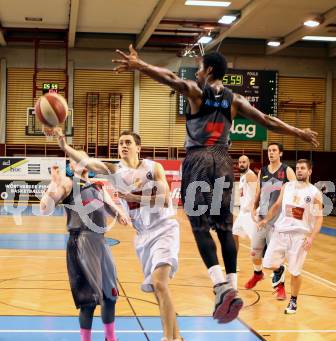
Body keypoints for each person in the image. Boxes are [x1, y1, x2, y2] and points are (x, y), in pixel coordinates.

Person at [111, 45, 319, 323]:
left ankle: (220, 284)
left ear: (208, 71)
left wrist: (141, 66)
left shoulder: (198, 93)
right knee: (224, 226)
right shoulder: (235, 100)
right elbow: (267, 120)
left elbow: (170, 79)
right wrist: (298, 132)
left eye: (199, 68)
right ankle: (232, 287)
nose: (196, 73)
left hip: (198, 159)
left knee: (198, 225)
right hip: (223, 160)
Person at [50, 128, 190, 341]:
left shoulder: (152, 168)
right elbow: (86, 161)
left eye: (127, 142)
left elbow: (166, 199)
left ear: (138, 147)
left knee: (159, 283)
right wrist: (64, 145)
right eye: (120, 143)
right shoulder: (115, 170)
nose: (123, 146)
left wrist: (133, 199)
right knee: (159, 290)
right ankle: (179, 340)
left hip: (164, 228)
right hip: (143, 236)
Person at [40, 152, 133, 341]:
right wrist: (51, 189)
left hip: (101, 243)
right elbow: (46, 208)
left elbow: (111, 206)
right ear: (71, 164)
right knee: (89, 300)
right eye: (76, 159)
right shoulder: (67, 184)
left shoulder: (97, 185)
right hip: (80, 242)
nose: (81, 161)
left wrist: (119, 213)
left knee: (110, 295)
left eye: (84, 158)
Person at [258, 159, 323, 314]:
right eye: (297, 168)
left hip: (299, 236)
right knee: (267, 264)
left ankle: (293, 301)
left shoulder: (314, 192)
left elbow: (319, 217)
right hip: (280, 232)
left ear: (309, 171)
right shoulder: (287, 186)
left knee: (295, 272)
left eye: (302, 168)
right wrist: (266, 219)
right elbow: (276, 205)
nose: (299, 170)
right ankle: (280, 269)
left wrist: (311, 237)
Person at [245, 143, 296, 300]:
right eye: (269, 150)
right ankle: (258, 273)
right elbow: (258, 192)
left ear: (280, 153)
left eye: (274, 150)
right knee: (254, 251)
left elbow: (296, 191)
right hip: (262, 218)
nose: (271, 153)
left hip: (278, 221)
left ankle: (280, 288)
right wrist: (254, 207)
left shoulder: (286, 170)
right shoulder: (263, 171)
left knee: (274, 257)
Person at [232, 155, 258, 252]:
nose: (241, 164)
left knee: (255, 242)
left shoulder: (250, 175)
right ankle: (233, 261)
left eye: (244, 162)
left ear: (248, 163)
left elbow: (257, 193)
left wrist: (253, 208)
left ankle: (277, 263)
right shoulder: (243, 176)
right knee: (234, 232)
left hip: (249, 214)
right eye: (240, 162)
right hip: (243, 212)